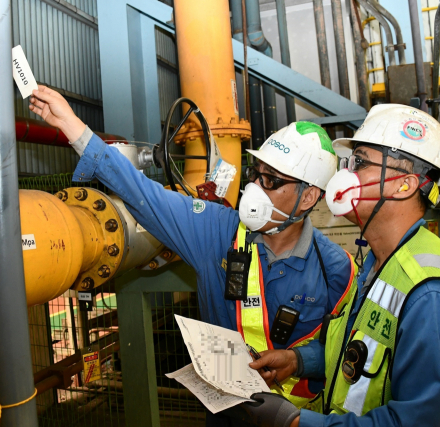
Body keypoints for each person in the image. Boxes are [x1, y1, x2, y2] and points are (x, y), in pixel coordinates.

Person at [28, 86, 357, 412]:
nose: (255, 188)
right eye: (257, 174)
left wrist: (299, 360)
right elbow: (144, 194)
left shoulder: (337, 269)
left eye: (272, 180)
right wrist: (74, 127)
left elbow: (346, 349)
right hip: (227, 413)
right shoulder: (217, 232)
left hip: (298, 419)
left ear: (309, 197)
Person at [229, 104, 440, 427]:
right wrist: (297, 360)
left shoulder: (430, 294)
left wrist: (295, 423)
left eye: (359, 163)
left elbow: (417, 421)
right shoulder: (379, 265)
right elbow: (359, 355)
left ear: (404, 185)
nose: (343, 175)